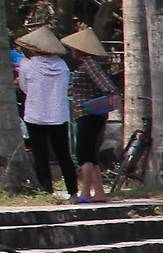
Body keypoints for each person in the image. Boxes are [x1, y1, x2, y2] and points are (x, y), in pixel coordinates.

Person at [15, 28, 76, 199]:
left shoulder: (28, 67)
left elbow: (24, 88)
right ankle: (73, 192)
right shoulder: (62, 66)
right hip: (59, 115)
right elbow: (65, 86)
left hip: (35, 114)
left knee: (40, 154)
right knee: (63, 154)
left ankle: (46, 190)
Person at [63, 27, 116, 204]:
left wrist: (112, 92)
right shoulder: (85, 65)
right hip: (85, 113)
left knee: (83, 152)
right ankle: (99, 192)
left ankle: (85, 193)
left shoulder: (89, 63)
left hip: (89, 113)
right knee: (90, 154)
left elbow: (104, 82)